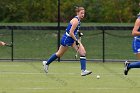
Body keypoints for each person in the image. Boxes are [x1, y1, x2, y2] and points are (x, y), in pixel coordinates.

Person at [43, 6, 92, 76]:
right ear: (77, 13)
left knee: (83, 52)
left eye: (83, 13)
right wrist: (76, 40)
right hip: (68, 39)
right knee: (59, 54)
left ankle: (83, 70)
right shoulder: (76, 21)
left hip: (73, 38)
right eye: (81, 13)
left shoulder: (78, 20)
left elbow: (74, 30)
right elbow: (71, 32)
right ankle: (46, 63)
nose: (83, 15)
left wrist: (78, 33)